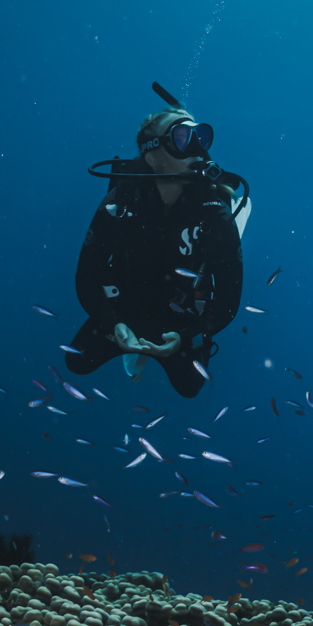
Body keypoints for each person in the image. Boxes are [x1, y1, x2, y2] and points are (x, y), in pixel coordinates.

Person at [66, 90, 246, 397]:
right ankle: (131, 346)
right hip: (125, 308)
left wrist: (186, 337)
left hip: (181, 318)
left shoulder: (214, 212)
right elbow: (86, 276)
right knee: (76, 363)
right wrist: (113, 324)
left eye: (200, 137)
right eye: (182, 137)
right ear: (151, 155)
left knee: (190, 387)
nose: (196, 147)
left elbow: (229, 298)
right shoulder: (122, 201)